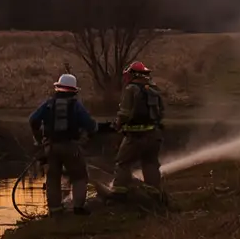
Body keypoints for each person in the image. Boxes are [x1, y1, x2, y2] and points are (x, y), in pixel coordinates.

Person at [29, 73, 99, 216]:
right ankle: (78, 208)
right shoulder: (76, 106)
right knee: (79, 177)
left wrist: (39, 139)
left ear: (58, 88)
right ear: (74, 90)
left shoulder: (48, 104)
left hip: (51, 147)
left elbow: (33, 120)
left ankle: (55, 211)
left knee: (53, 178)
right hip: (71, 147)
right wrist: (89, 136)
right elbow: (90, 125)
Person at [113, 61, 166, 199]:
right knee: (150, 163)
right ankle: (154, 193)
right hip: (154, 135)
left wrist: (117, 125)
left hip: (135, 136)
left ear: (132, 75)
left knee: (123, 163)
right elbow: (162, 112)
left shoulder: (131, 89)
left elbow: (124, 113)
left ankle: (119, 193)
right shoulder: (154, 89)